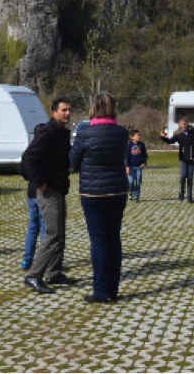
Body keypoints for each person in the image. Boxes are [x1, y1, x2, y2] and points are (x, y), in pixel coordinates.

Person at [70, 93, 129, 303]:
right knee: (114, 239)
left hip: (92, 192)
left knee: (98, 241)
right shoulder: (123, 133)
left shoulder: (84, 133)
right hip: (117, 190)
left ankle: (101, 291)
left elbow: (73, 162)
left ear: (93, 108)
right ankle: (113, 289)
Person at [23, 97, 79, 294]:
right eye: (63, 110)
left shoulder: (62, 132)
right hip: (48, 191)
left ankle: (54, 272)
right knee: (53, 233)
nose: (67, 113)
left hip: (59, 188)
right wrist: (40, 183)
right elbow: (29, 157)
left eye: (69, 110)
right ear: (53, 112)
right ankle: (34, 275)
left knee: (60, 233)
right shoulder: (47, 132)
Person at [18, 123, 47, 270]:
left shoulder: (27, 152)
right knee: (45, 228)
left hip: (31, 191)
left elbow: (21, 170)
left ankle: (27, 260)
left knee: (33, 227)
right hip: (42, 192)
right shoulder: (43, 152)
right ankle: (44, 262)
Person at [126, 129, 148, 202]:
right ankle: (130, 191)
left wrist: (144, 163)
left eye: (139, 135)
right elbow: (127, 156)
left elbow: (145, 155)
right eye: (137, 135)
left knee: (138, 182)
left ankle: (136, 196)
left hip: (139, 167)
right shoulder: (130, 145)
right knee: (131, 182)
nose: (138, 137)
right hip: (131, 167)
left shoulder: (142, 145)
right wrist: (127, 166)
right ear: (132, 137)